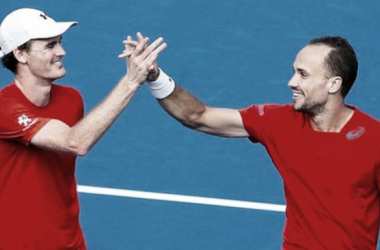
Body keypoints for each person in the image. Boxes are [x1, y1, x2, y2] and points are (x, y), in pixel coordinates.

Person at [126, 33, 380, 249]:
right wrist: (155, 77)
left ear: (333, 84)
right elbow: (198, 116)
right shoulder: (279, 122)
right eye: (294, 72)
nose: (291, 82)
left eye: (303, 75)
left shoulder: (374, 140)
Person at [0, 8, 166, 250]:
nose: (62, 52)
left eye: (59, 43)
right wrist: (131, 81)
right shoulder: (4, 108)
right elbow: (75, 142)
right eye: (49, 46)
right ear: (20, 54)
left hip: (71, 243)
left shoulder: (71, 99)